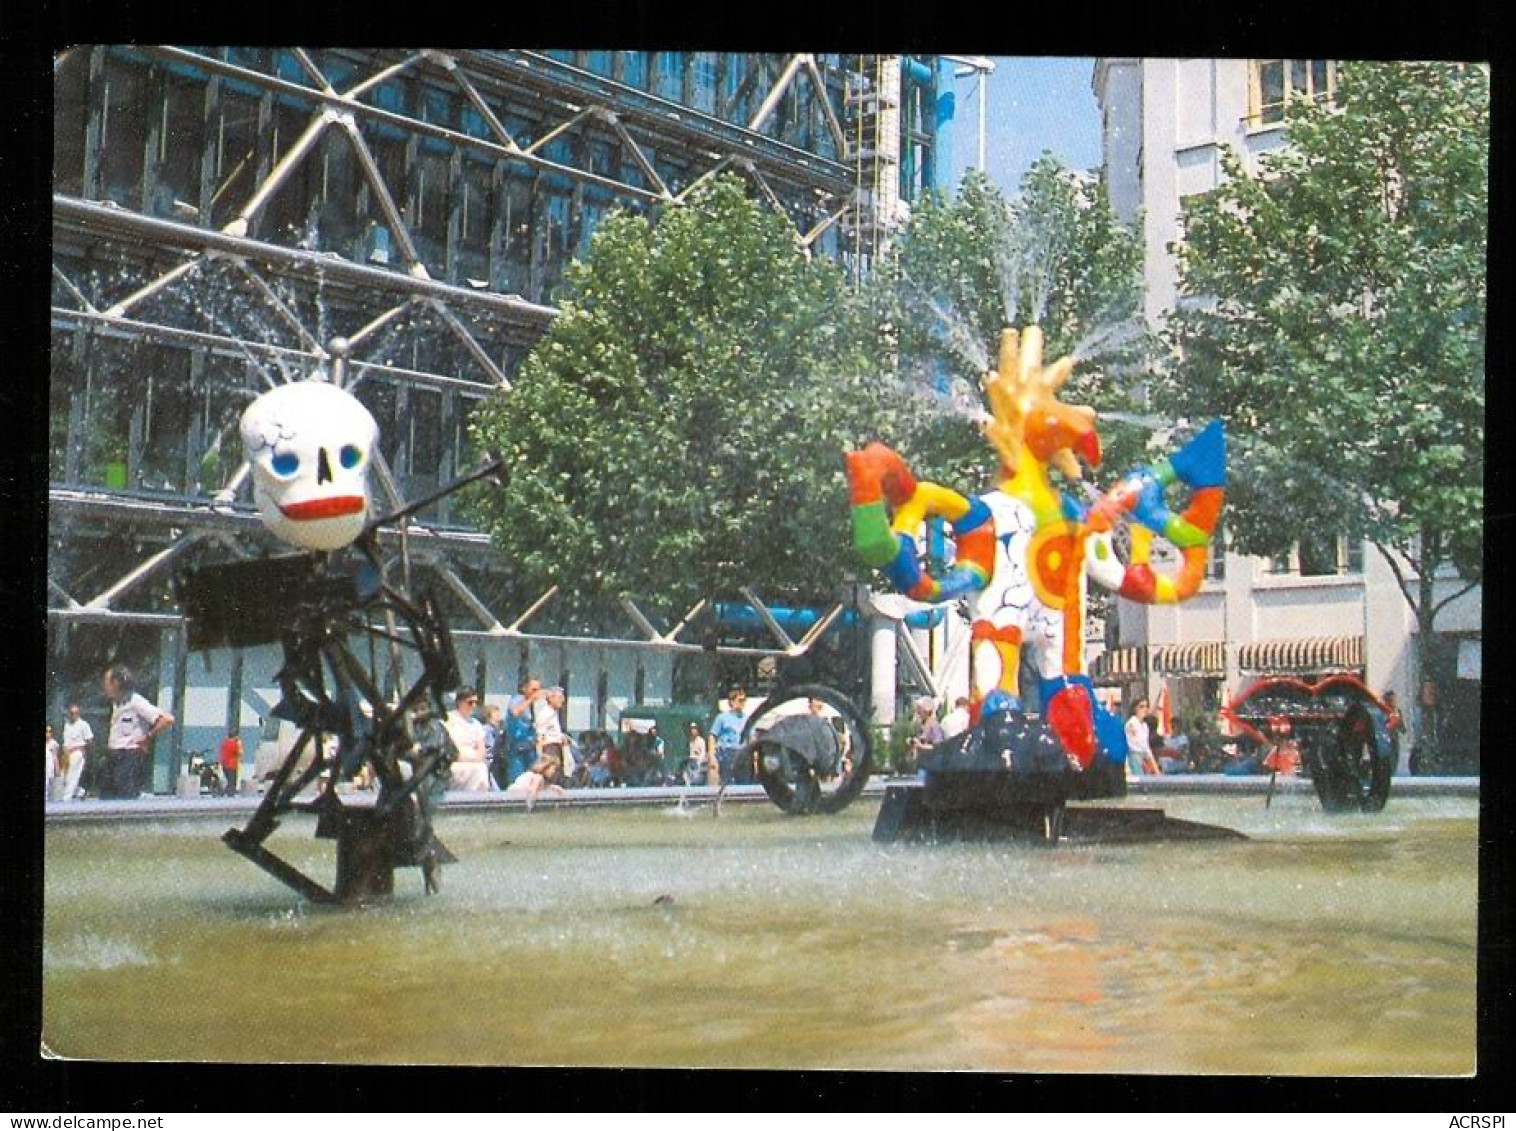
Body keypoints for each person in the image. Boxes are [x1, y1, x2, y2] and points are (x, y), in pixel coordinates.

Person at [102, 664, 174, 799]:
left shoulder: (136, 701)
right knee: (107, 796)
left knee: (125, 796)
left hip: (128, 756)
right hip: (114, 755)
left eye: (107, 682)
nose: (105, 686)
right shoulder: (115, 703)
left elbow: (167, 719)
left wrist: (148, 736)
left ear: (116, 683)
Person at [445, 687, 491, 792]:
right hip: (455, 763)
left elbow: (482, 750)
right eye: (470, 702)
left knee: (481, 769)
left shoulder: (476, 724)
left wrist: (474, 758)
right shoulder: (448, 720)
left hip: (474, 762)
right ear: (460, 702)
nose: (473, 706)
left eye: (475, 702)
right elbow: (448, 748)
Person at [504, 676, 542, 787]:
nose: (536, 693)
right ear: (524, 688)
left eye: (538, 690)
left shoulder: (535, 704)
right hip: (517, 748)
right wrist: (530, 700)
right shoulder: (518, 700)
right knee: (518, 781)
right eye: (533, 690)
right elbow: (515, 712)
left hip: (530, 747)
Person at [710, 688, 751, 785]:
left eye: (744, 700)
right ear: (732, 702)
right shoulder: (722, 718)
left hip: (742, 753)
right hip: (727, 754)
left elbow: (750, 738)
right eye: (740, 700)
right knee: (727, 782)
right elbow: (712, 736)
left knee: (743, 782)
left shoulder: (747, 719)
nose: (742, 703)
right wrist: (712, 755)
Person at [61, 704, 94, 801]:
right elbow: (66, 741)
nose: (72, 715)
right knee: (65, 775)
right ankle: (81, 792)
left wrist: (85, 751)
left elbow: (90, 740)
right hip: (67, 753)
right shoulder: (67, 725)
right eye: (70, 713)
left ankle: (67, 797)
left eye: (74, 713)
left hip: (78, 752)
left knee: (73, 774)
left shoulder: (83, 725)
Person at [908, 698, 945, 772]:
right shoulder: (921, 725)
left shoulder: (934, 725)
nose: (918, 713)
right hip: (922, 763)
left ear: (927, 711)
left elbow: (937, 746)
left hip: (931, 764)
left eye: (919, 710)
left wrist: (921, 746)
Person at [1124, 698, 1152, 780]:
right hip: (1134, 756)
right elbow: (1136, 742)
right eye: (1141, 706)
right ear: (1135, 708)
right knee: (1140, 781)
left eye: (1147, 706)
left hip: (1145, 756)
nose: (1145, 709)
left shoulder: (1145, 726)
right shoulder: (1131, 723)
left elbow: (1146, 746)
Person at [481, 704, 505, 788]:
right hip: (488, 764)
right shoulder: (485, 730)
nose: (498, 716)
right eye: (495, 713)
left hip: (498, 764)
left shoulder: (499, 730)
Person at [1382, 690, 1406, 772]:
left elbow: (1402, 728)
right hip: (1385, 740)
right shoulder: (1382, 711)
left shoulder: (1397, 712)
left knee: (1395, 758)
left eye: (1394, 700)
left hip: (1394, 739)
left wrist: (1399, 723)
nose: (1393, 703)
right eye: (1390, 700)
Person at [218, 728, 243, 796]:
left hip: (224, 764)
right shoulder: (234, 744)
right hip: (232, 765)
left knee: (229, 781)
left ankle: (223, 792)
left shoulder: (224, 742)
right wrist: (239, 744)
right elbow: (239, 753)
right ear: (235, 736)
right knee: (232, 782)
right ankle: (227, 794)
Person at [45, 725, 60, 796]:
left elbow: (55, 756)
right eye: (46, 731)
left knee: (49, 783)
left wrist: (57, 769)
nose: (48, 733)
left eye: (49, 731)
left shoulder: (54, 743)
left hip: (50, 766)